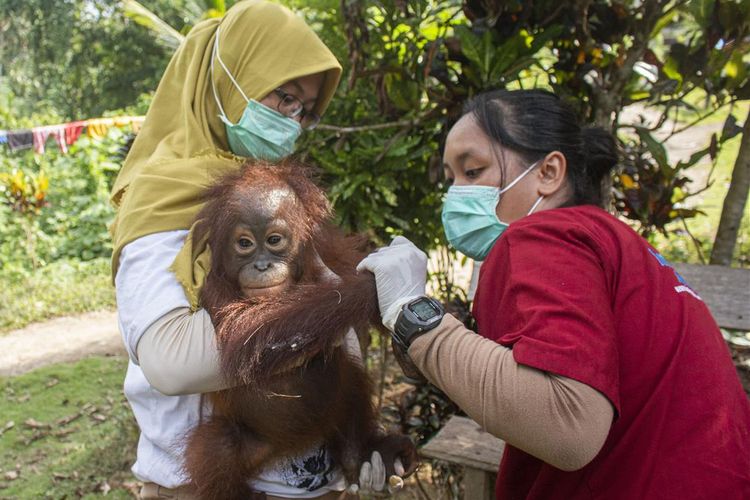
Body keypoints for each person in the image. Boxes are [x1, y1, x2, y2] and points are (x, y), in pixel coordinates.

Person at [358, 89, 750, 499]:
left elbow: (569, 424)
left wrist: (411, 314)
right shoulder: (608, 236)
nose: (456, 193)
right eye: (451, 177)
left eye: (473, 171)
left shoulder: (543, 234)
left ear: (548, 172)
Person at [110, 2, 399, 498]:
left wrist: (356, 438)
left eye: (303, 109)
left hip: (311, 472)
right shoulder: (162, 196)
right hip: (211, 480)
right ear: (230, 77)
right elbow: (174, 362)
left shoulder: (278, 194)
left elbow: (340, 338)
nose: (293, 118)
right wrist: (345, 303)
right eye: (285, 95)